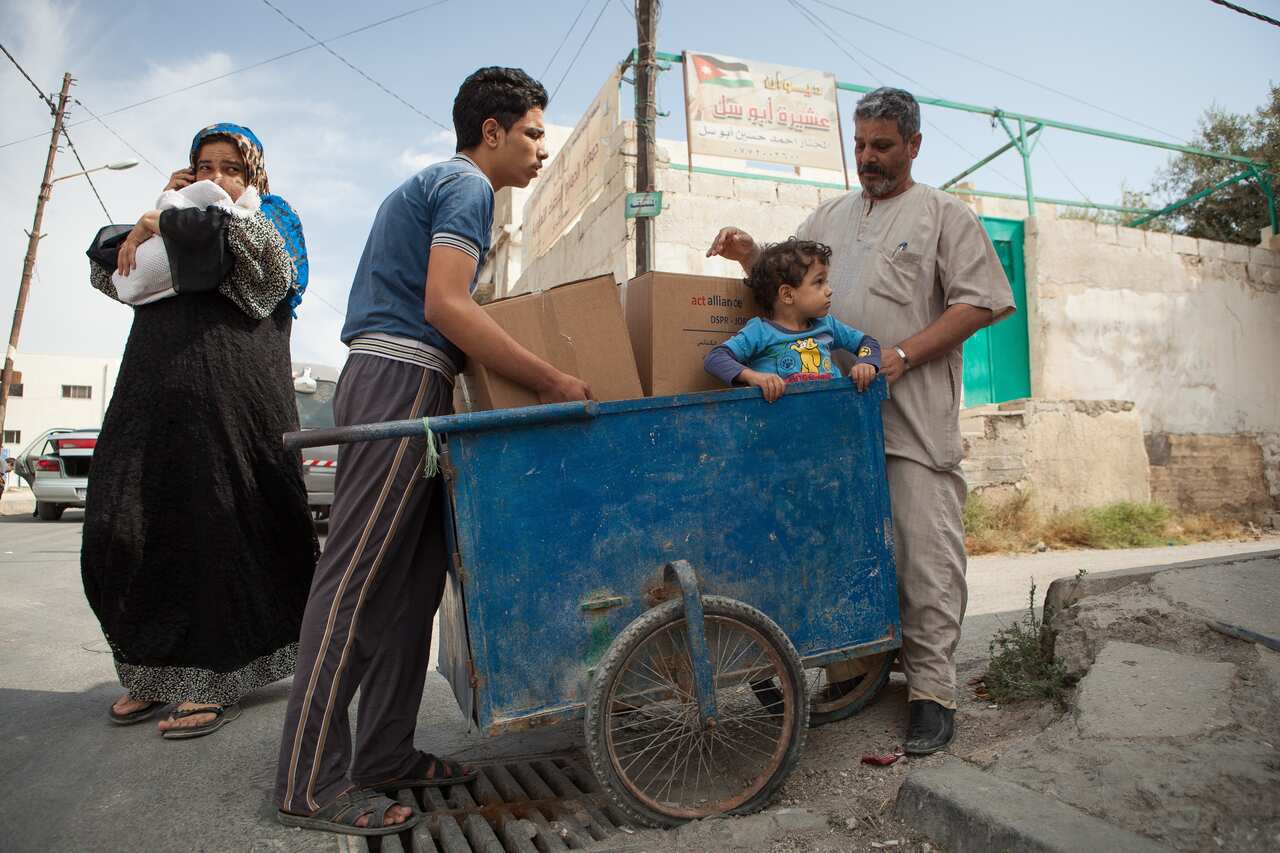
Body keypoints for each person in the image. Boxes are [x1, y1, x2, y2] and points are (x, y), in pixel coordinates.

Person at [275, 67, 590, 838]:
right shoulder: (468, 187)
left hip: (413, 380)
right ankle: (309, 781)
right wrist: (548, 377)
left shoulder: (440, 185)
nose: (543, 150)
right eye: (535, 133)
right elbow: (446, 305)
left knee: (413, 581)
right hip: (400, 377)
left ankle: (384, 751)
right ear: (493, 131)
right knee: (351, 581)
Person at [707, 87, 1015, 755]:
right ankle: (853, 678)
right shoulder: (831, 213)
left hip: (912, 420)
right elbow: (791, 281)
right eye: (861, 145)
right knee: (836, 551)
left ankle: (933, 690)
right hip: (831, 427)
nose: (869, 158)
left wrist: (902, 355)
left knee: (923, 555)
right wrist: (748, 255)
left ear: (913, 145)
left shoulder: (943, 215)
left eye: (883, 146)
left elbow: (985, 302)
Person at [83, 123, 317, 739]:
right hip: (151, 403)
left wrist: (185, 221)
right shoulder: (166, 217)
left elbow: (275, 282)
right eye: (204, 166)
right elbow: (111, 277)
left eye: (231, 167)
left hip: (234, 412)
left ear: (254, 175)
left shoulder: (270, 217)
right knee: (126, 524)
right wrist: (161, 210)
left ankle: (214, 680)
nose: (217, 177)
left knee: (220, 531)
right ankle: (149, 673)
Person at [704, 238, 880, 400]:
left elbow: (867, 343)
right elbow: (716, 358)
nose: (829, 290)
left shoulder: (828, 324)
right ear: (787, 294)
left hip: (831, 419)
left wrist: (866, 363)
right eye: (819, 282)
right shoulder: (760, 331)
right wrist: (753, 377)